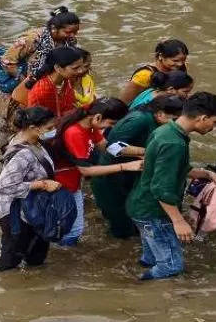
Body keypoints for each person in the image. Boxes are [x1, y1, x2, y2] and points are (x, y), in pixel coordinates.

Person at [126, 92, 216, 280]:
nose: (214, 127)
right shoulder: (174, 143)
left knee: (151, 258)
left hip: (140, 204)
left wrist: (208, 174)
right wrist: (178, 221)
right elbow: (161, 188)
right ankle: (134, 286)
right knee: (172, 267)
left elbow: (171, 167)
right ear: (202, 118)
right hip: (153, 212)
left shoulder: (165, 131)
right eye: (214, 122)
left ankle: (140, 273)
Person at [45, 97, 144, 245]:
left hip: (72, 181)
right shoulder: (75, 133)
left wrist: (144, 152)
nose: (110, 127)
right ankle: (66, 261)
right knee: (72, 230)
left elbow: (108, 147)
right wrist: (126, 166)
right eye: (111, 124)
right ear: (98, 117)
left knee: (69, 226)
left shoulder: (90, 125)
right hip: (62, 183)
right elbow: (86, 170)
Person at [92, 95, 186, 239]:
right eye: (175, 119)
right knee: (122, 226)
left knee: (134, 222)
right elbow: (112, 147)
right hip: (111, 178)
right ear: (160, 114)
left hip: (129, 175)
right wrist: (149, 152)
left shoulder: (155, 120)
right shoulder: (139, 120)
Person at [0, 107, 61, 270]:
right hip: (15, 211)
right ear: (33, 128)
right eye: (49, 128)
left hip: (32, 206)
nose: (53, 131)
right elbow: (2, 186)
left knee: (37, 254)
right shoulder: (23, 154)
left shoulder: (32, 141)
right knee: (10, 260)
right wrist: (42, 184)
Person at [2, 7, 81, 84]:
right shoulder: (32, 39)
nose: (73, 36)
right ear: (54, 28)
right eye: (68, 32)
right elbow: (7, 62)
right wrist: (24, 82)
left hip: (48, 80)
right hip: (25, 81)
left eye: (75, 32)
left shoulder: (70, 41)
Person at [23, 47, 95, 119]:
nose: (81, 71)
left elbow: (69, 107)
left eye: (81, 67)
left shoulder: (66, 80)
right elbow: (35, 120)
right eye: (75, 68)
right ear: (57, 68)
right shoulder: (41, 91)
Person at [118, 39, 189, 105]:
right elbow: (124, 102)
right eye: (175, 60)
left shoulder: (181, 67)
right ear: (161, 56)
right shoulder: (144, 75)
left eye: (183, 60)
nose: (180, 64)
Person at [127, 69, 194, 111]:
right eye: (186, 91)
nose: (189, 94)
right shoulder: (156, 104)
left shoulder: (152, 90)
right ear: (171, 89)